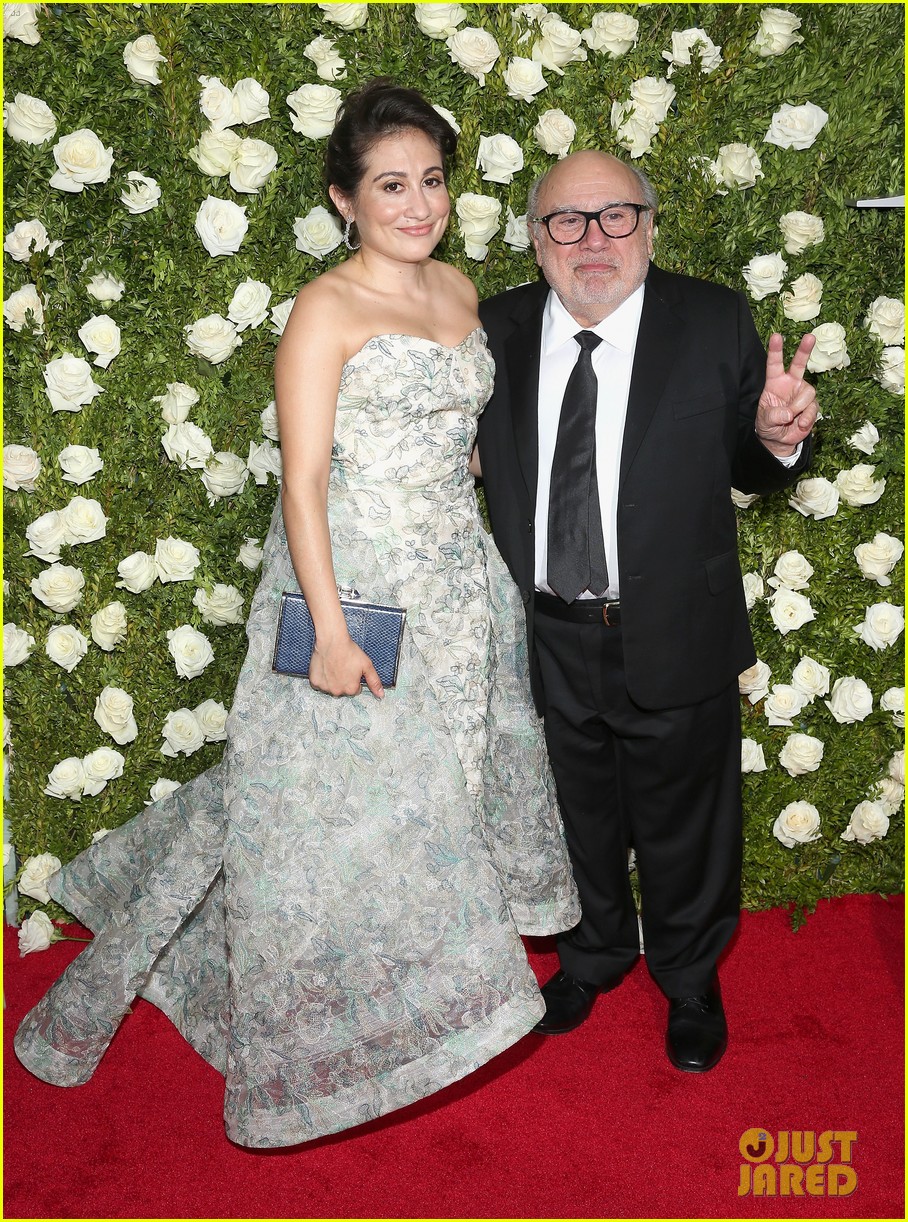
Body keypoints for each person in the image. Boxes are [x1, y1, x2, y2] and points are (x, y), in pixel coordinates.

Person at [14, 80, 579, 1147]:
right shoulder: (325, 309)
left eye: (431, 181)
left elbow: (461, 443)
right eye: (390, 186)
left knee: (429, 804)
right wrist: (326, 628)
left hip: (459, 592)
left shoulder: (459, 290)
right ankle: (310, 1026)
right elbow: (303, 483)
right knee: (320, 814)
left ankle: (404, 1003)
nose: (418, 204)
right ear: (343, 200)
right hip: (354, 593)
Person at [474, 150, 817, 1073]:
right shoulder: (493, 329)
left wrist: (775, 438)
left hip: (675, 625)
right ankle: (591, 954)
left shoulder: (711, 319)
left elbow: (750, 462)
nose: (593, 239)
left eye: (616, 215)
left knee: (687, 824)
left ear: (650, 227)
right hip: (542, 632)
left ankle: (691, 977)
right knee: (569, 811)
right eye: (567, 220)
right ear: (536, 238)